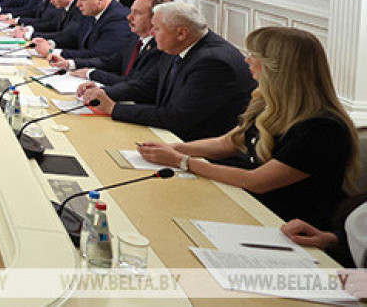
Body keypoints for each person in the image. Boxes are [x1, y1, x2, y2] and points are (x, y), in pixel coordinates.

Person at [138, 27, 356, 232]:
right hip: (245, 204)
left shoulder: (322, 128)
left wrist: (182, 161)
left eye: (254, 55)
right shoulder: (267, 104)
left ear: (278, 67)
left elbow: (257, 182)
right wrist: (172, 148)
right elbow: (228, 143)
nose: (246, 59)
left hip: (283, 224)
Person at [80, 2, 256, 141]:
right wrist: (103, 92)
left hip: (198, 145)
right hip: (171, 135)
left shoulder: (213, 62)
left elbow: (177, 117)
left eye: (156, 28)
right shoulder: (178, 46)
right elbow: (146, 85)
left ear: (181, 33)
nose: (152, 33)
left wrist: (113, 108)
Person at [60, 0, 173, 88]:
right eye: (131, 11)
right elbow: (110, 62)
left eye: (137, 13)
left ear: (156, 19)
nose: (129, 17)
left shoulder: (160, 48)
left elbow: (135, 84)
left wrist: (91, 74)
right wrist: (71, 63)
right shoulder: (135, 38)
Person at [31, 0, 131, 60]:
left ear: (100, 0)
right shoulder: (92, 12)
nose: (78, 4)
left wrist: (54, 52)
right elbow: (74, 39)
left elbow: (98, 55)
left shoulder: (118, 19)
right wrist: (51, 43)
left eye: (83, 0)